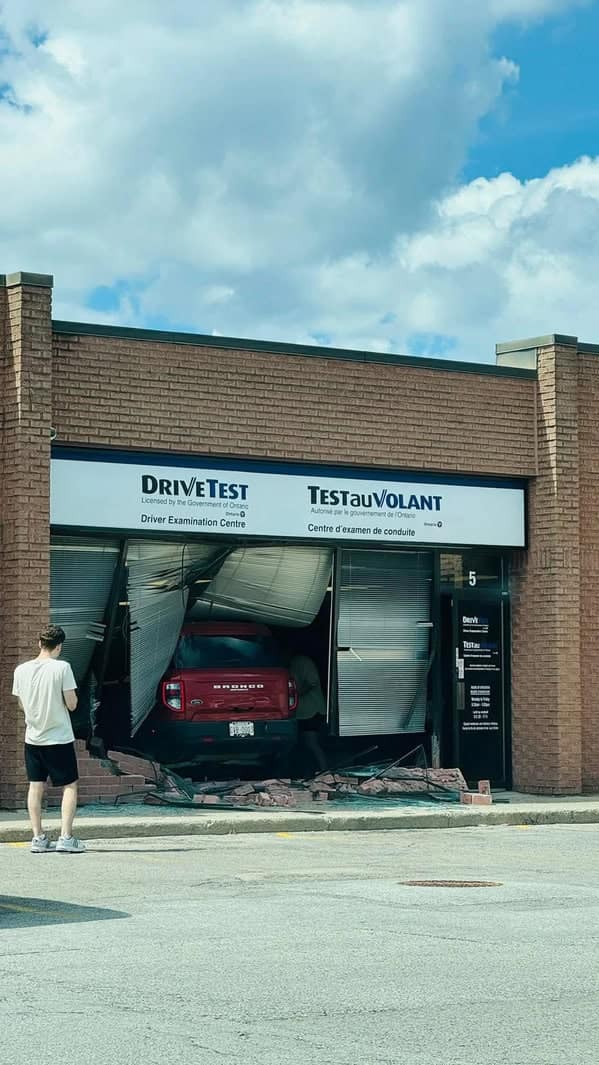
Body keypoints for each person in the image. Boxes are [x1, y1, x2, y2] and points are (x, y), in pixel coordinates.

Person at [12, 625, 86, 853]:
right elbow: (72, 703)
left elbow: (21, 703)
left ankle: (38, 838)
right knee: (69, 786)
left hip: (33, 737)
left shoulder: (21, 670)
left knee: (35, 786)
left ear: (39, 643)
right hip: (59, 737)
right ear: (59, 646)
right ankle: (65, 837)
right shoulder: (62, 668)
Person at [289, 653, 328, 773]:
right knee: (305, 744)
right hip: (302, 712)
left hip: (311, 710)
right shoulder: (292, 663)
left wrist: (297, 693)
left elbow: (312, 682)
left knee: (311, 743)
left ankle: (325, 771)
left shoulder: (302, 662)